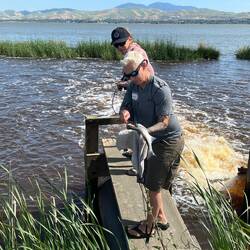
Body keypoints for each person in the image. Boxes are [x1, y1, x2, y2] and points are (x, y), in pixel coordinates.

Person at [119, 51, 184, 238]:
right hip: (148, 138)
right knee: (150, 180)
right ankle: (161, 217)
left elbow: (164, 122)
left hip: (168, 140)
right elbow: (127, 105)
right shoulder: (133, 86)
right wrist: (124, 112)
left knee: (153, 184)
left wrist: (145, 131)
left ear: (145, 65)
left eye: (133, 74)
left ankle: (149, 226)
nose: (131, 79)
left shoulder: (160, 89)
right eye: (127, 76)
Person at [111, 27, 155, 176]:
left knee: (139, 130)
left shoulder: (135, 54)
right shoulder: (134, 50)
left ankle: (138, 167)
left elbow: (139, 79)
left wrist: (123, 84)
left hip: (143, 96)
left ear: (130, 39)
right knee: (135, 126)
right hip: (138, 94)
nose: (119, 47)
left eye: (122, 43)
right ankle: (134, 154)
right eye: (116, 45)